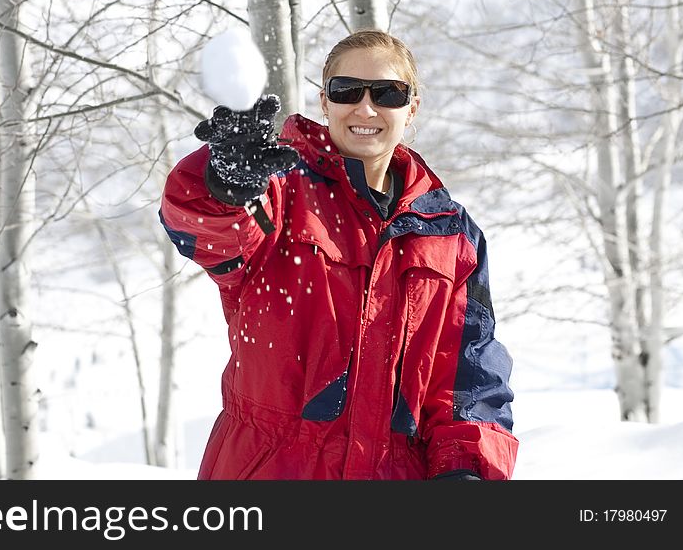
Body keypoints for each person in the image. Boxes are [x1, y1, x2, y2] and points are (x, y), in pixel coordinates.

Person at [159, 29, 518, 480]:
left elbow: (469, 375)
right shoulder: (280, 189)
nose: (366, 108)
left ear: (412, 108)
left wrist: (464, 468)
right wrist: (221, 181)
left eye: (388, 93)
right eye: (347, 91)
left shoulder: (449, 232)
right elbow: (206, 227)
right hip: (271, 469)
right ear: (324, 101)